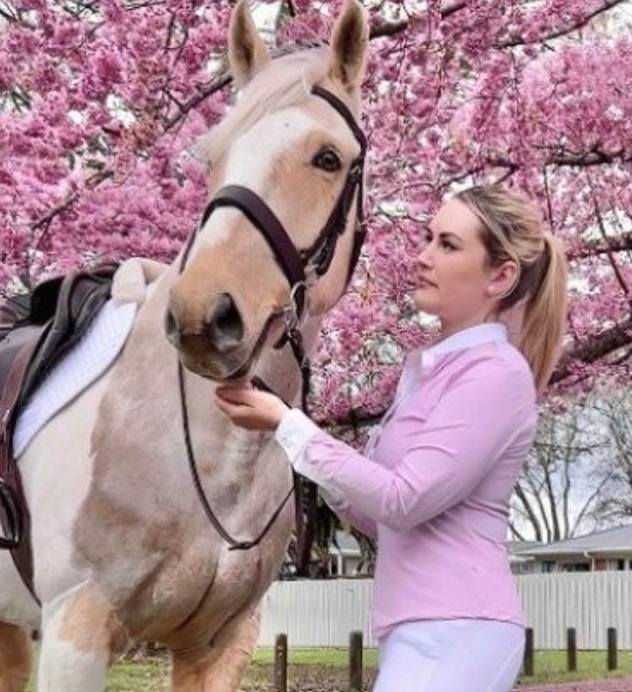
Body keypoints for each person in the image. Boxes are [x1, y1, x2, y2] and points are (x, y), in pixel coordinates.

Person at [215, 185, 568, 692]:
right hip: (421, 628)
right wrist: (285, 435)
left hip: (459, 628)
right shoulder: (432, 375)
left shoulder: (496, 374)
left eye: (448, 244)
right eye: (427, 238)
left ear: (501, 275)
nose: (422, 257)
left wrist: (288, 425)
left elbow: (405, 499)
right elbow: (381, 516)